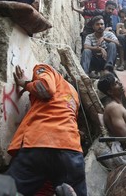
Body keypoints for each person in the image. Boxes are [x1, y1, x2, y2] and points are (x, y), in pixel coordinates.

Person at [6, 64, 87, 196]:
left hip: (40, 141)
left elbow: (46, 88)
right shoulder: (73, 94)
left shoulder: (46, 69)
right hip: (71, 150)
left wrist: (25, 83)